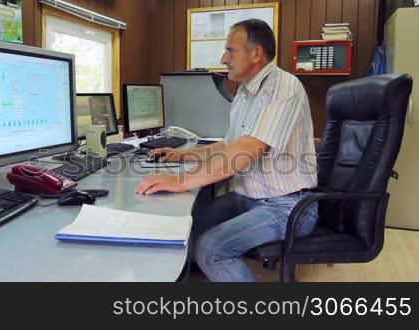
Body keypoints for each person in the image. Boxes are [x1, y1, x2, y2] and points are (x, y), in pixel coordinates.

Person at [135, 19, 318, 282]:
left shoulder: (282, 88)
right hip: (249, 199)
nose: (224, 58)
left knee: (211, 249)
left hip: (289, 207)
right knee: (186, 228)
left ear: (256, 54)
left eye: (230, 50)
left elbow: (246, 150)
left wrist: (180, 180)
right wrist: (182, 155)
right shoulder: (245, 93)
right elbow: (228, 145)